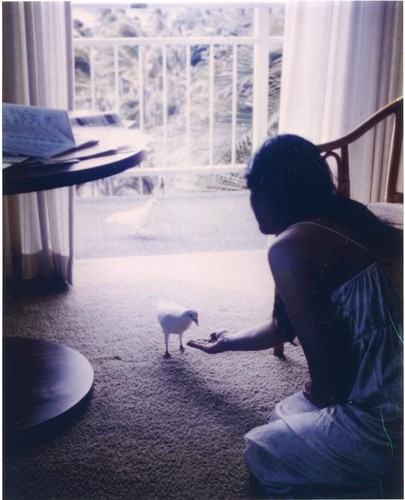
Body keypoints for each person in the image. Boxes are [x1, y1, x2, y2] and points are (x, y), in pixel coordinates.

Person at [188, 134, 403, 498]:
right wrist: (227, 343)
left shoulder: (290, 248)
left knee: (265, 449)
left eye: (251, 191)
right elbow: (283, 327)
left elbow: (329, 382)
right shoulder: (351, 217)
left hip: (389, 419)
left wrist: (315, 405)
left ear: (268, 193)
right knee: (288, 415)